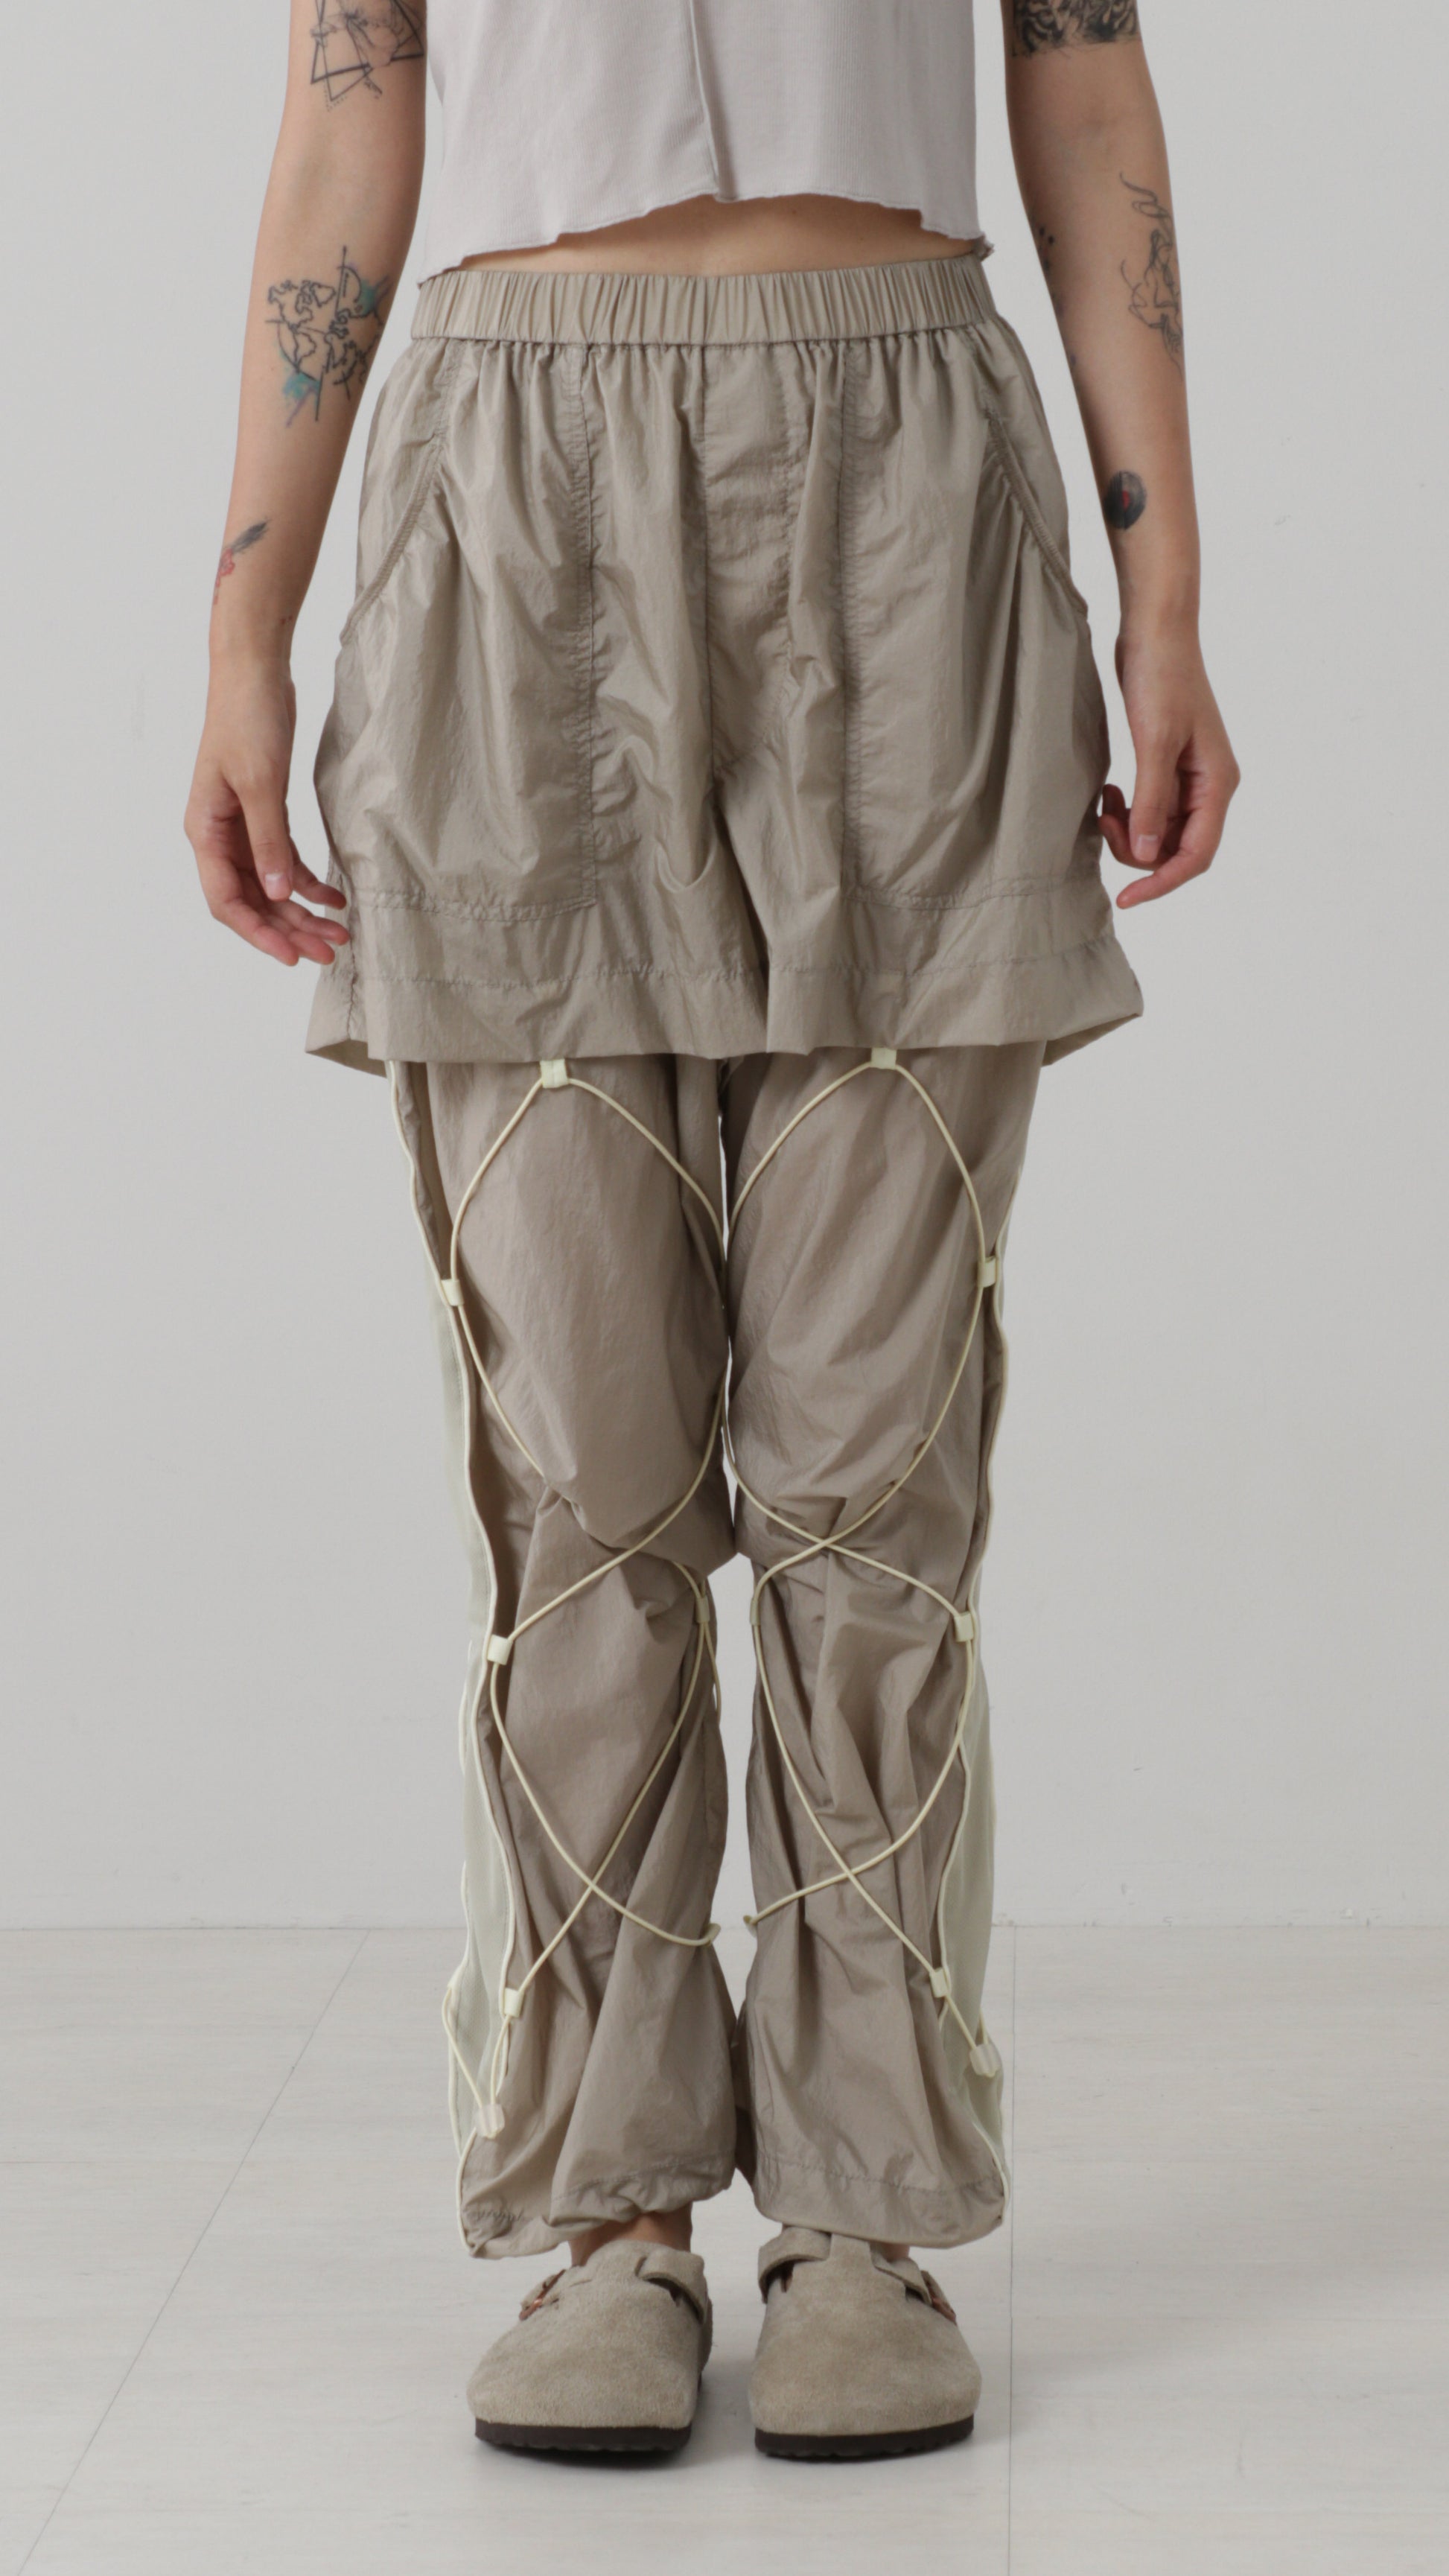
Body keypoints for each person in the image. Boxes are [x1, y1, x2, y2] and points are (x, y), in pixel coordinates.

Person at [185, 0, 1238, 2464]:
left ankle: (865, 2211)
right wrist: (241, 629)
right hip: (512, 493)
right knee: (587, 1473)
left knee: (873, 1476)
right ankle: (613, 2213)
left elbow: (1083, 78)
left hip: (904, 482)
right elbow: (348, 110)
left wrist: (1164, 590)